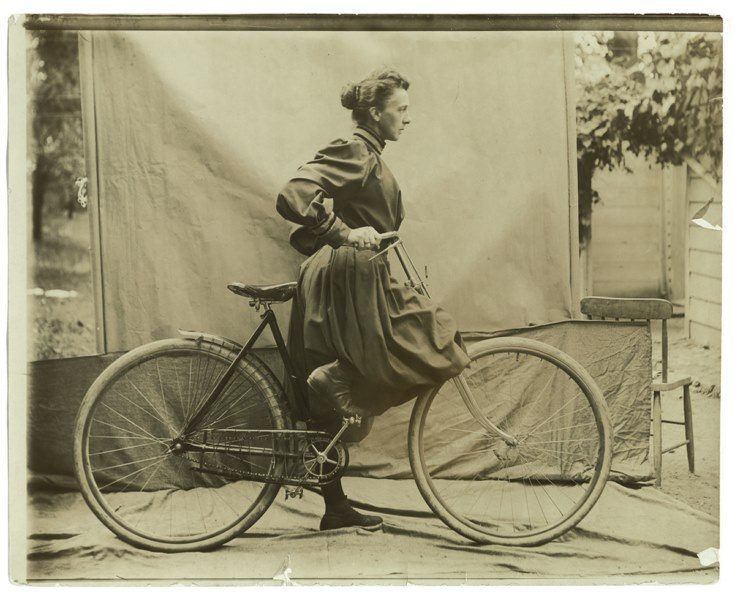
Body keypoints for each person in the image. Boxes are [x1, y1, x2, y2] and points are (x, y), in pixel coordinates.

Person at [276, 68, 470, 532]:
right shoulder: (357, 151)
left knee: (331, 408)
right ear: (375, 113)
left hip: (349, 276)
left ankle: (334, 508)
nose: (408, 118)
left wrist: (347, 232)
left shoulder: (372, 155)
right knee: (434, 337)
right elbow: (293, 196)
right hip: (349, 278)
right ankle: (337, 378)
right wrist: (343, 232)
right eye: (400, 109)